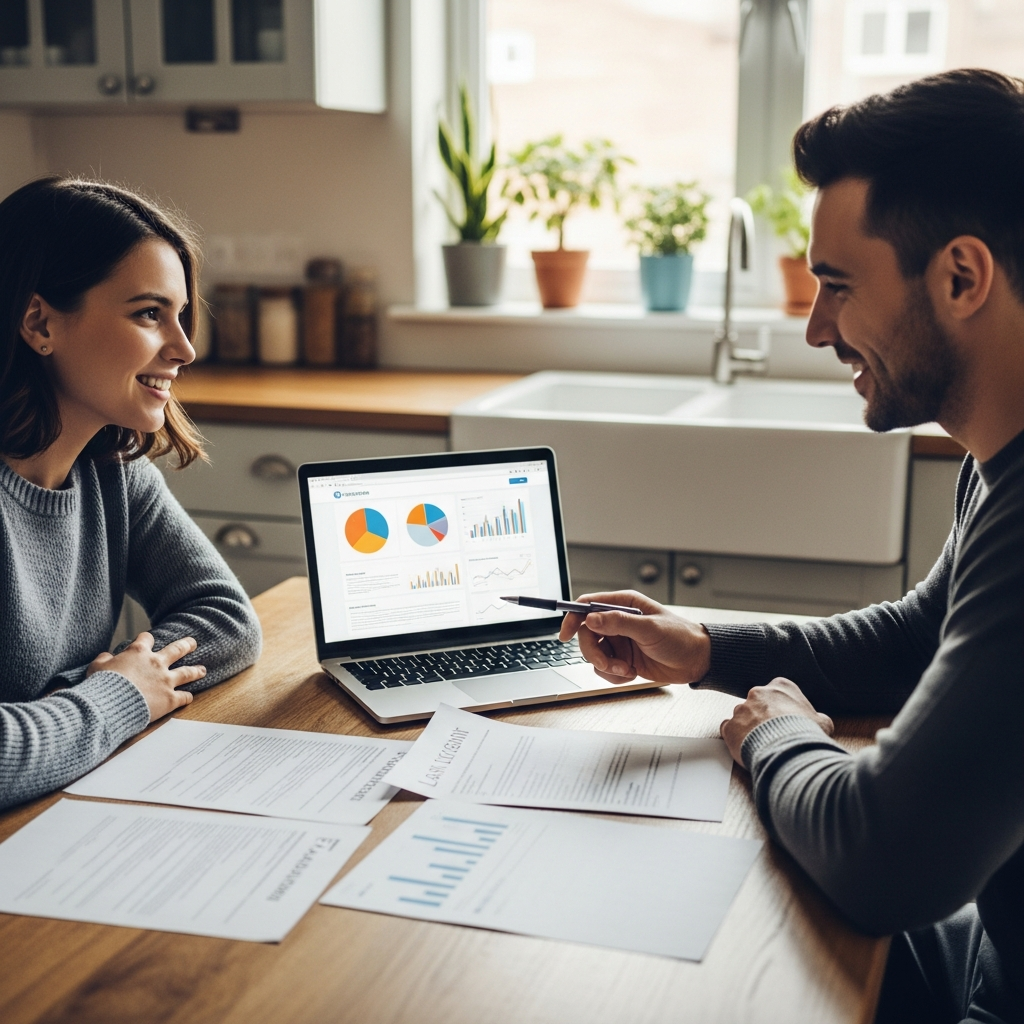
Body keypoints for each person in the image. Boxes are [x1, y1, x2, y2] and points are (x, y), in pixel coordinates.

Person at [560, 69, 1023, 1024]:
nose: (816, 329)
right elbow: (917, 640)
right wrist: (709, 649)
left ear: (962, 277)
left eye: (838, 286)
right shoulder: (999, 457)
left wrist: (777, 732)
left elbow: (883, 855)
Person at [0, 176, 262, 811]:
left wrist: (80, 698)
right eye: (149, 313)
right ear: (39, 322)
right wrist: (116, 695)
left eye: (180, 314)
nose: (185, 348)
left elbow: (226, 617)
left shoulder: (111, 470)